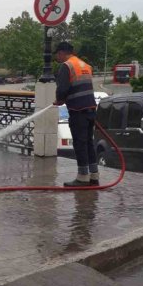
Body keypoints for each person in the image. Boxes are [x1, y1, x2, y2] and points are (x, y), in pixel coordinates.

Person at [52, 41, 99, 187]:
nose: (57, 58)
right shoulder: (84, 65)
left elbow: (62, 89)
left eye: (57, 55)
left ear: (62, 53)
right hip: (90, 110)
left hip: (78, 111)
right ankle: (94, 175)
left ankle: (83, 177)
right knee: (89, 143)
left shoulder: (66, 66)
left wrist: (59, 100)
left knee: (79, 143)